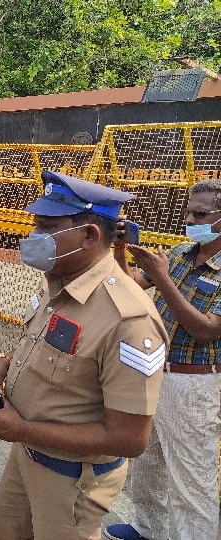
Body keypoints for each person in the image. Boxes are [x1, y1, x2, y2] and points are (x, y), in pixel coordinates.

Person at [0, 170, 169, 540]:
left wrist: (22, 429)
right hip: (26, 455)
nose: (33, 237)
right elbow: (52, 347)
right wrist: (6, 362)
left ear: (90, 236)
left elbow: (129, 439)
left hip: (71, 480)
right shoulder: (62, 281)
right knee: (6, 529)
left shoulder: (128, 320)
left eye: (46, 228)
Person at [104, 179, 221, 540]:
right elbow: (128, 284)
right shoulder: (183, 252)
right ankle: (147, 528)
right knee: (147, 462)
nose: (191, 219)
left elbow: (205, 329)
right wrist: (121, 250)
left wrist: (162, 278)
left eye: (200, 214)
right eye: (189, 212)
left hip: (193, 384)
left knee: (191, 479)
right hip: (154, 371)